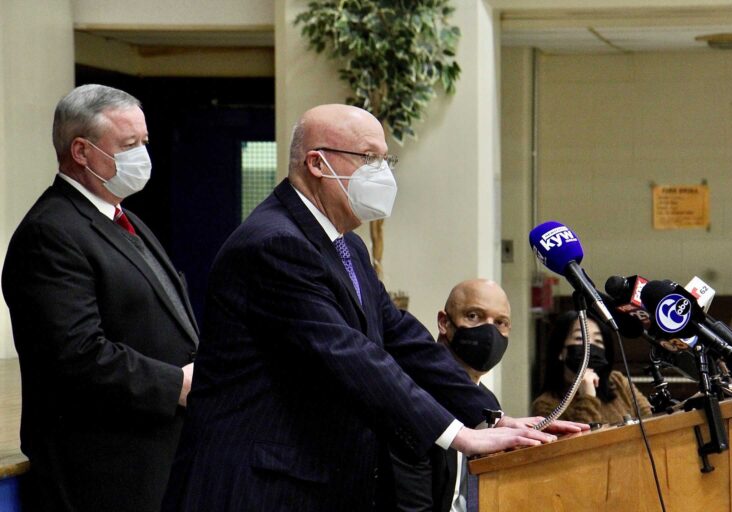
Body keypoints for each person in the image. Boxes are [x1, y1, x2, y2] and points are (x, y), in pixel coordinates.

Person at [162, 104, 588, 512]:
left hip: (310, 480)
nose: (382, 173)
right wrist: (457, 435)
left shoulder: (345, 244)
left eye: (385, 159)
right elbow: (349, 354)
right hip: (258, 484)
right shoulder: (275, 243)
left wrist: (489, 417)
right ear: (316, 163)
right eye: (368, 158)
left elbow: (399, 336)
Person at [2, 84, 198, 512]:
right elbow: (75, 356)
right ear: (81, 151)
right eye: (128, 144)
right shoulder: (50, 233)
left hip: (155, 456)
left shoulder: (122, 218)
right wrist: (177, 385)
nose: (142, 155)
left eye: (144, 142)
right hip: (100, 470)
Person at [391, 278, 510, 512]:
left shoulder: (486, 401)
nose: (489, 332)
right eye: (474, 316)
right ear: (444, 322)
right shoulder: (413, 397)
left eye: (500, 322)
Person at [531, 310, 652, 425]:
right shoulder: (545, 405)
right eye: (580, 338)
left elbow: (650, 418)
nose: (590, 346)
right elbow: (581, 444)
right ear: (560, 351)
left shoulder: (617, 381)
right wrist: (587, 397)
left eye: (598, 341)